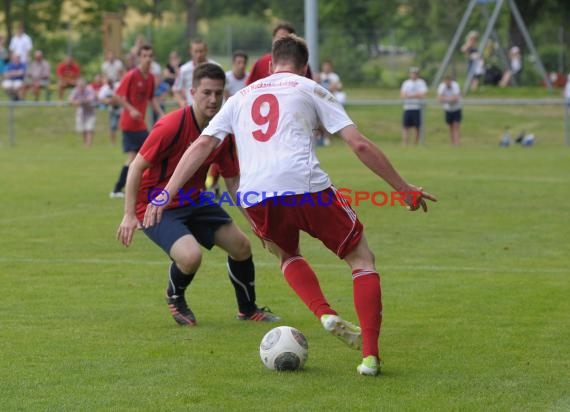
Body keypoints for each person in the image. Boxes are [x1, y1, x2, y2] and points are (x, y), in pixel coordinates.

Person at [143, 34, 437, 376]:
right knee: (361, 258)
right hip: (304, 184)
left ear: (269, 64)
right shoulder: (309, 88)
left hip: (255, 194)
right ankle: (370, 357)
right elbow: (359, 145)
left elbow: (202, 145)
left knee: (287, 254)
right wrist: (402, 188)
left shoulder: (239, 97)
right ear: (306, 67)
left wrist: (165, 192)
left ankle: (324, 312)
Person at [116, 63, 280, 326]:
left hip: (196, 200)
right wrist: (128, 215)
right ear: (192, 91)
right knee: (191, 256)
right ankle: (174, 296)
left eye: (218, 93)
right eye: (206, 93)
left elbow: (233, 182)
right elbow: (136, 166)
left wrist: (256, 224)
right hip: (155, 205)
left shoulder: (222, 132)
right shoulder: (171, 125)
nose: (213, 99)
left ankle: (248, 310)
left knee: (242, 247)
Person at [110, 44, 164, 198]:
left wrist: (160, 113)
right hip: (129, 123)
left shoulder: (151, 77)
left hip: (140, 124)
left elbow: (151, 98)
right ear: (140, 58)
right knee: (140, 157)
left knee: (142, 157)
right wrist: (131, 109)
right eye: (144, 56)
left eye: (150, 56)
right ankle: (119, 188)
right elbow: (118, 96)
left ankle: (127, 187)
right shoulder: (132, 75)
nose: (147, 59)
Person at [245, 22, 312, 85]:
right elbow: (249, 88)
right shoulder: (261, 63)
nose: (281, 41)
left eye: (284, 38)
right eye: (278, 37)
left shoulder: (301, 63)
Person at [172, 38, 218, 108]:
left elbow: (223, 89)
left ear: (206, 51)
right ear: (190, 51)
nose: (199, 55)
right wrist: (181, 102)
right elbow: (176, 89)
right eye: (196, 51)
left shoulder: (216, 67)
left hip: (212, 109)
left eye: (201, 51)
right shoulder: (184, 70)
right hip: (192, 109)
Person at [400, 67, 428, 145]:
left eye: (415, 73)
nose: (414, 75)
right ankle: (405, 143)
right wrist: (415, 95)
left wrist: (410, 95)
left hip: (417, 108)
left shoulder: (421, 82)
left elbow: (422, 94)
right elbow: (402, 95)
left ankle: (415, 143)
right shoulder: (406, 83)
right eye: (412, 73)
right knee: (405, 126)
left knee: (417, 127)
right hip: (408, 108)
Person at [69, 78, 97, 147]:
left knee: (89, 129)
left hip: (90, 112)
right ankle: (85, 143)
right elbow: (70, 100)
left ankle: (89, 144)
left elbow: (91, 99)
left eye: (82, 86)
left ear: (85, 85)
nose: (81, 87)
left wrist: (80, 102)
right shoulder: (75, 90)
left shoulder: (89, 90)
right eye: (79, 86)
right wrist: (77, 102)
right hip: (81, 113)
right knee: (83, 129)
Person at [437, 75, 462, 146]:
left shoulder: (455, 85)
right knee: (450, 126)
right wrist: (450, 99)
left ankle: (457, 143)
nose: (447, 82)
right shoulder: (442, 86)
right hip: (448, 109)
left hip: (456, 108)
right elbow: (439, 98)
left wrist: (445, 99)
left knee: (456, 125)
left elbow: (456, 98)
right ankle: (452, 143)